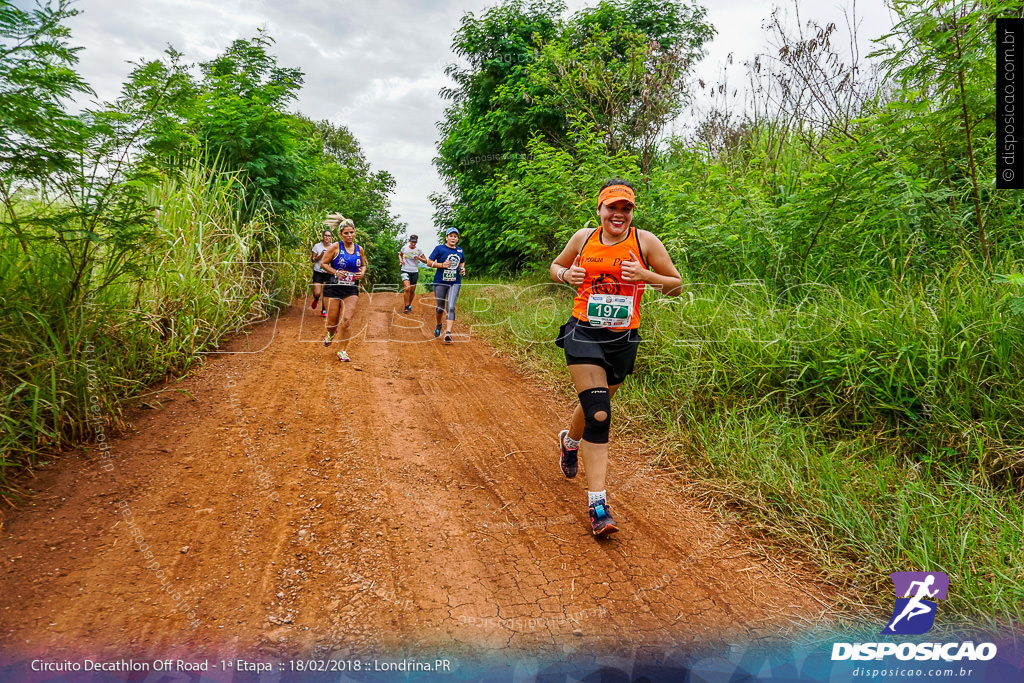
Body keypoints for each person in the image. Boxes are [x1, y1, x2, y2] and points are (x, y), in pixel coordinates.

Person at [549, 179, 682, 536]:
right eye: (612, 207)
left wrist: (645, 275)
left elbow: (675, 284)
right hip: (583, 331)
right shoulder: (583, 238)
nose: (618, 214)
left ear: (632, 212)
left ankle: (570, 442)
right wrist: (566, 274)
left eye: (626, 208)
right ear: (600, 210)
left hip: (623, 337)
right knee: (600, 412)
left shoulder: (645, 241)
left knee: (598, 402)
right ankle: (598, 506)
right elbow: (555, 267)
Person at [320, 215, 367, 362]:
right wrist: (335, 272)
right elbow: (323, 263)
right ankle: (331, 333)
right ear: (341, 234)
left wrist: (362, 272)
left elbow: (363, 265)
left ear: (355, 233)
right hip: (334, 288)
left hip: (351, 289)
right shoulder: (335, 247)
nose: (349, 235)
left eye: (351, 232)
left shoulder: (360, 249)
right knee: (331, 324)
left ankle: (342, 351)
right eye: (346, 233)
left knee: (346, 321)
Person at [426, 227, 466, 344]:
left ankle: (448, 332)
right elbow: (429, 262)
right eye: (451, 236)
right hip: (440, 282)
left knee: (451, 307)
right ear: (447, 237)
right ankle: (439, 324)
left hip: (455, 282)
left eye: (455, 236)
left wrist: (462, 268)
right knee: (440, 308)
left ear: (457, 239)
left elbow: (462, 261)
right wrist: (442, 265)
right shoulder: (439, 249)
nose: (453, 238)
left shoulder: (459, 251)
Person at [398, 235, 427, 313]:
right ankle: (406, 306)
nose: (413, 243)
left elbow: (425, 261)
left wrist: (419, 258)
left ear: (416, 242)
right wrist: (401, 261)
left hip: (414, 271)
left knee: (412, 290)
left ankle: (409, 305)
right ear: (409, 241)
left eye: (414, 242)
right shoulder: (404, 248)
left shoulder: (419, 250)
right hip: (405, 270)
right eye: (412, 241)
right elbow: (400, 255)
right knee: (407, 288)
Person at [311, 227, 333, 317]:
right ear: (323, 237)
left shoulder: (333, 247)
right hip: (318, 271)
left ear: (331, 238)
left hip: (329, 272)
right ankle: (316, 299)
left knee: (327, 292)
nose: (327, 237)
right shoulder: (317, 246)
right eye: (325, 235)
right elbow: (313, 260)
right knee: (317, 292)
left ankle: (324, 310)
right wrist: (321, 256)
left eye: (329, 236)